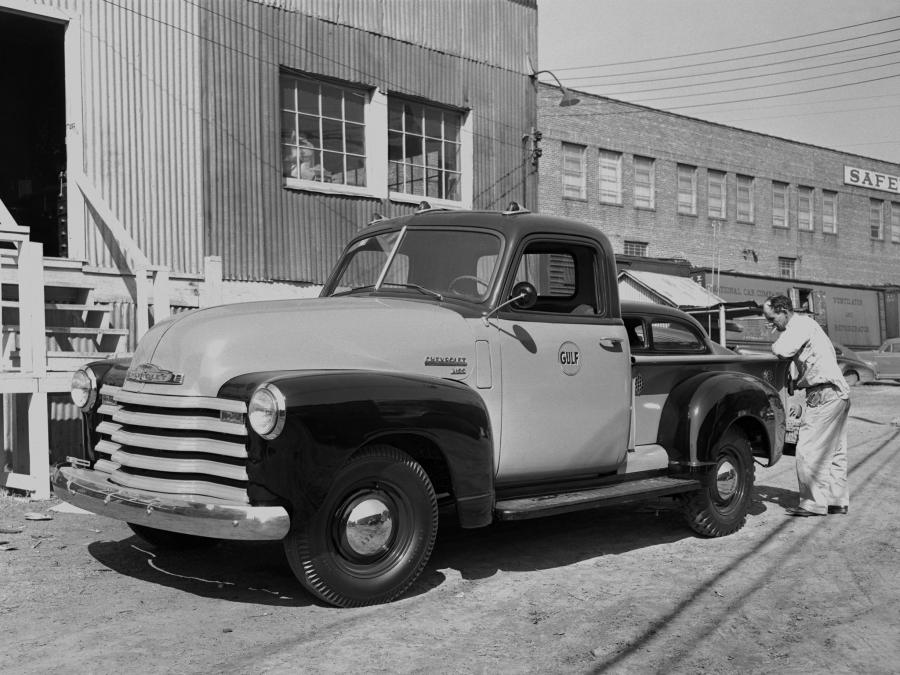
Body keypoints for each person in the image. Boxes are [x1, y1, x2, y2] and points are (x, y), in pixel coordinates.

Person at [763, 295, 851, 517]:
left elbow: (781, 349)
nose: (772, 325)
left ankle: (812, 504)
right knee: (835, 451)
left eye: (772, 319)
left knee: (808, 450)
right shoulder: (808, 327)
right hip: (836, 393)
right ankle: (836, 501)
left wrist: (776, 341)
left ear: (784, 310)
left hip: (824, 393)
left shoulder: (799, 324)